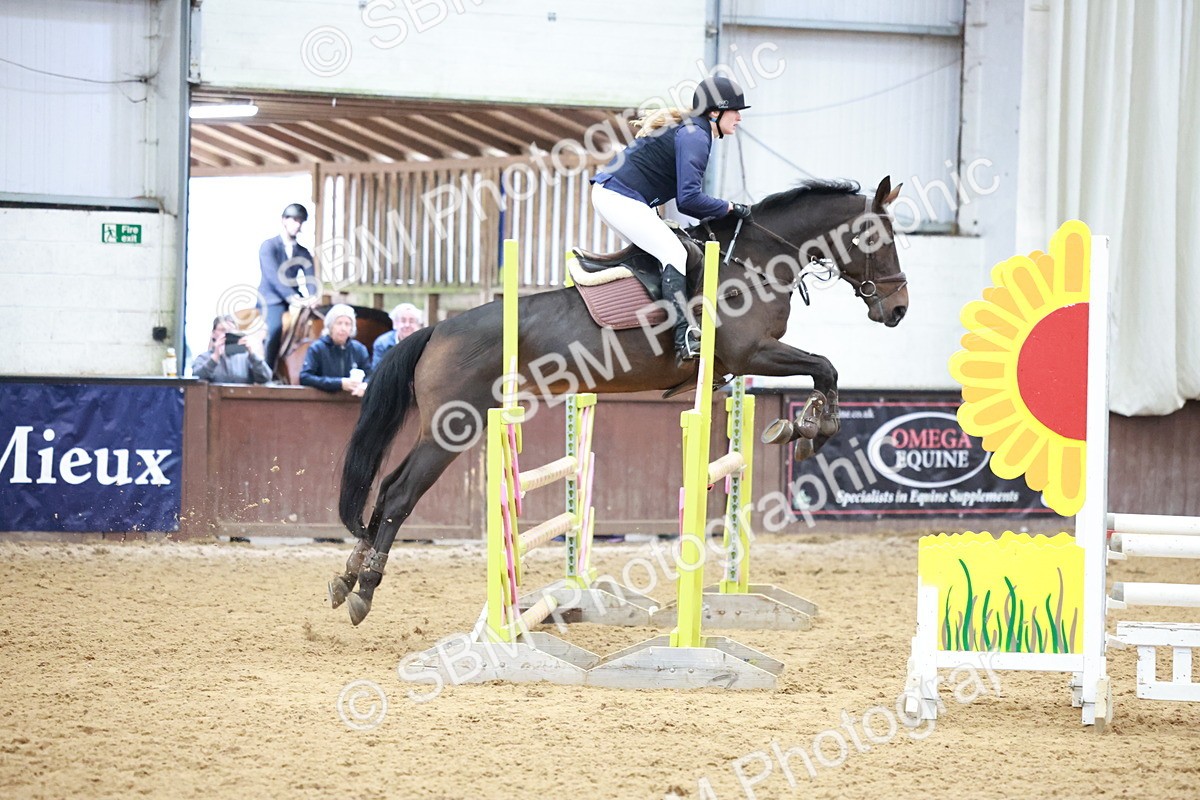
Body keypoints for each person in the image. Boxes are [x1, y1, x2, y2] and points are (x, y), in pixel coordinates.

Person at [589, 75, 752, 364]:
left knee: (669, 248)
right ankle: (683, 336)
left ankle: (647, 321)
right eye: (735, 111)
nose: (739, 117)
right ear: (715, 112)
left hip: (619, 196)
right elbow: (688, 200)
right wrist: (728, 207)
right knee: (674, 252)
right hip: (620, 198)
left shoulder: (695, 130)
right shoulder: (696, 136)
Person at [258, 203, 316, 371]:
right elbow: (273, 276)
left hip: (295, 298)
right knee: (275, 329)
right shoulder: (268, 246)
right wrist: (291, 297)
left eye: (300, 221)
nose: (297, 225)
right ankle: (268, 371)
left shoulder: (303, 252)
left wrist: (312, 296)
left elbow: (310, 277)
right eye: (294, 220)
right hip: (271, 298)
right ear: (284, 220)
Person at [300, 304, 371, 396]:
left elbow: (370, 375)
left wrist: (365, 385)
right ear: (330, 326)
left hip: (352, 403)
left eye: (347, 324)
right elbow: (305, 378)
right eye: (339, 323)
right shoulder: (317, 348)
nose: (343, 328)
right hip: (322, 403)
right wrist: (339, 383)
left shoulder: (359, 350)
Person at [192, 315, 271, 384]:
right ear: (213, 333)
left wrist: (253, 355)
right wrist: (214, 359)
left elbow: (265, 378)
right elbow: (196, 379)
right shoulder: (204, 358)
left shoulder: (246, 358)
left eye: (231, 330)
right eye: (223, 330)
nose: (227, 334)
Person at [371, 302, 425, 371]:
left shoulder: (424, 344)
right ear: (395, 323)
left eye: (411, 321)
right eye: (403, 321)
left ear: (418, 325)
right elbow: (377, 372)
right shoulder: (382, 343)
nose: (407, 325)